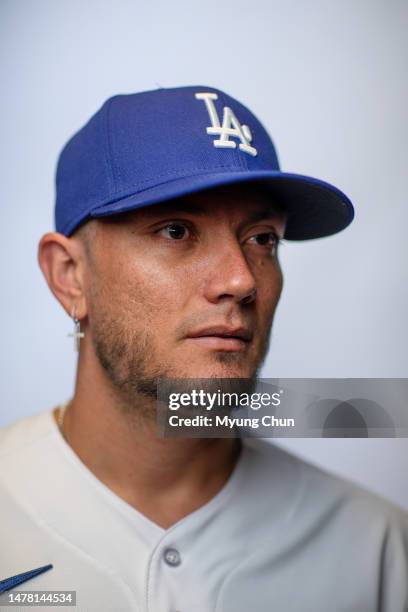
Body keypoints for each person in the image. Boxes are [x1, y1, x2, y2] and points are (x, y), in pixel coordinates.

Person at [0, 85, 406, 611]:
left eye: (262, 238)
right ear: (70, 275)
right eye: (176, 230)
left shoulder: (377, 550)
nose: (241, 279)